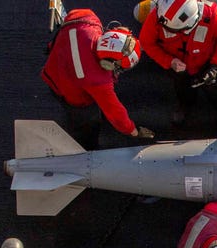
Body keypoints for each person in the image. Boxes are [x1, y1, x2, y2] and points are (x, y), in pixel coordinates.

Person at [42, 8, 153, 150]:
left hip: (54, 70)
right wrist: (133, 131)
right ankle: (87, 148)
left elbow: (71, 16)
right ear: (108, 64)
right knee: (87, 123)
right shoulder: (99, 81)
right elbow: (116, 113)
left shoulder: (86, 20)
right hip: (73, 96)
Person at [135, 0, 217, 124]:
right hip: (178, 67)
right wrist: (169, 61)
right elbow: (147, 42)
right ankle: (185, 106)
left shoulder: (214, 17)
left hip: (208, 63)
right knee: (183, 89)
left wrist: (215, 65)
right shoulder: (160, 16)